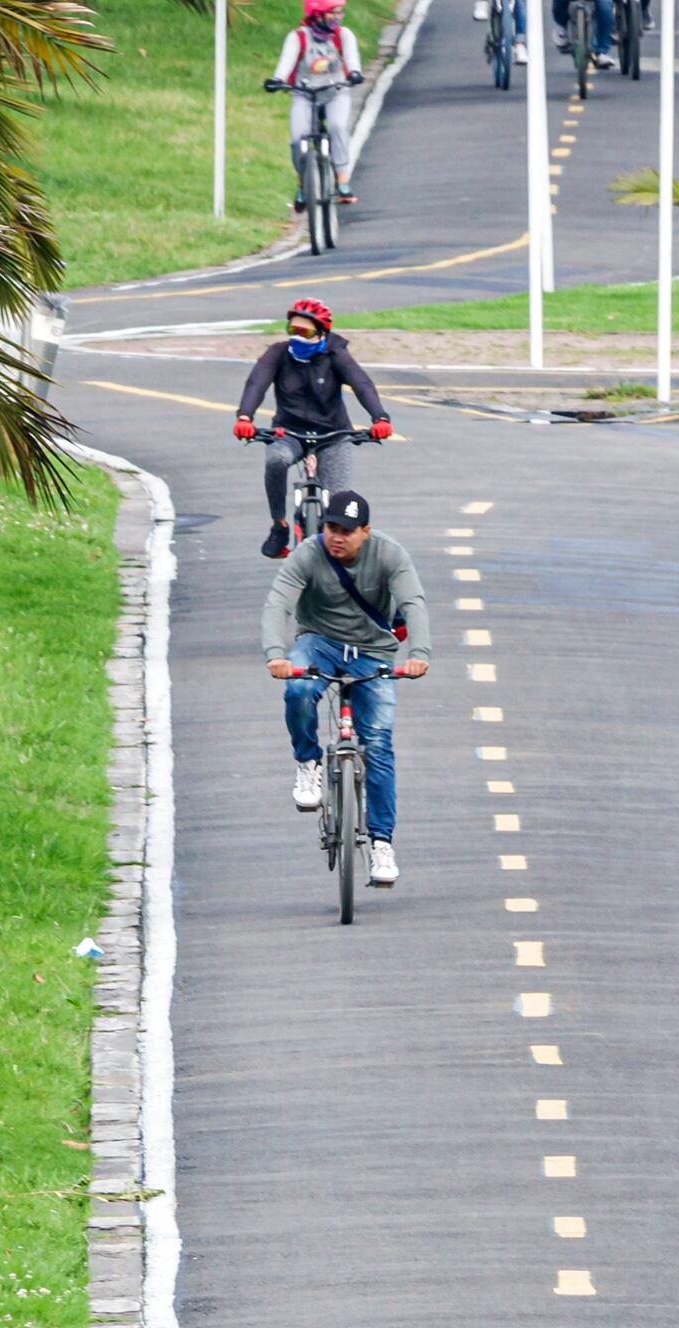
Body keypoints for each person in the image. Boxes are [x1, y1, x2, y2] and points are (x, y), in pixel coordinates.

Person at [261, 492, 426, 888]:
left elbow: (413, 603)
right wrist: (275, 654)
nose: (337, 537)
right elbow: (278, 603)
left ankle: (382, 843)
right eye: (331, 528)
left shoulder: (390, 554)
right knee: (299, 689)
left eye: (347, 531)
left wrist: (419, 654)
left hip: (373, 651)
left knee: (378, 744)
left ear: (365, 531)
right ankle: (308, 764)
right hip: (319, 642)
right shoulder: (307, 554)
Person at [235, 298, 393, 560]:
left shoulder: (336, 356)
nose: (297, 337)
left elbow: (362, 384)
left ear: (322, 334)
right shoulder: (278, 353)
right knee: (275, 461)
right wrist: (244, 416)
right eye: (293, 330)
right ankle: (279, 526)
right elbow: (256, 384)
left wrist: (380, 418)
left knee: (339, 503)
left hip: (333, 435)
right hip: (288, 433)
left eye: (305, 332)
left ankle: (338, 562)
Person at [269, 0, 367, 206]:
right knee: (298, 138)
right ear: (317, 15)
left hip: (335, 92)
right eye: (333, 13)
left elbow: (352, 59)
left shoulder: (343, 35)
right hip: (304, 93)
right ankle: (301, 185)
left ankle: (343, 182)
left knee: (337, 127)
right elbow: (286, 63)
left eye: (340, 12)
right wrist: (277, 80)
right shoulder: (298, 37)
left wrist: (355, 73)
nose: (338, 17)